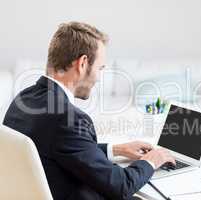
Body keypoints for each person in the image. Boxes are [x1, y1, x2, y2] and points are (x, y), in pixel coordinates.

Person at [3, 22, 175, 200]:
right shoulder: (68, 119)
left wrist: (115, 149)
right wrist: (151, 161)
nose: (99, 78)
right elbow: (121, 187)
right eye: (100, 68)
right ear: (83, 63)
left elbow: (56, 149)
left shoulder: (23, 100)